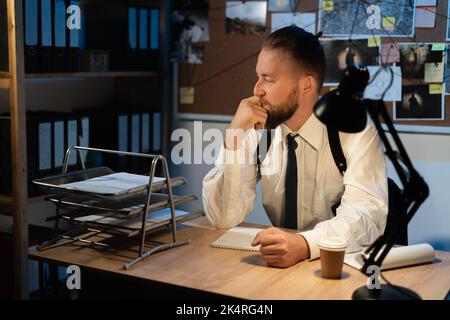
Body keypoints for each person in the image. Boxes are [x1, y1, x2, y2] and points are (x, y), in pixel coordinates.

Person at [202, 26, 388, 268]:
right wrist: (233, 138)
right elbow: (223, 218)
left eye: (268, 79)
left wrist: (303, 244)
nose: (256, 90)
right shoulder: (260, 127)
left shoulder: (352, 128)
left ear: (307, 86)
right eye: (258, 77)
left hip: (336, 263)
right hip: (279, 266)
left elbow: (366, 215)